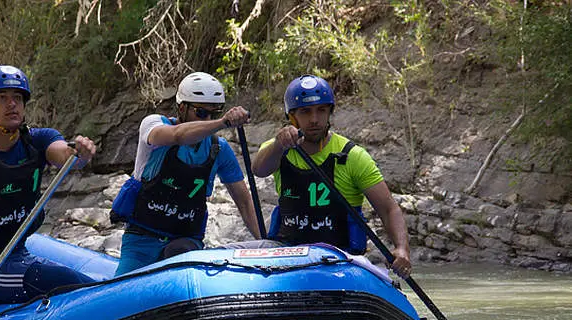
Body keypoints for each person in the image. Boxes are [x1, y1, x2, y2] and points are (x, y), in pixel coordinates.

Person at [0, 64, 97, 306]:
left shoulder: (39, 139)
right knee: (59, 279)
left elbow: (63, 153)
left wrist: (79, 154)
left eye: (17, 98)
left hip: (19, 255)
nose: (12, 104)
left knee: (68, 279)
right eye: (2, 98)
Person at [251, 74, 413, 279]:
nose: (314, 120)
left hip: (340, 256)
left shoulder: (352, 156)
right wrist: (278, 144)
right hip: (287, 253)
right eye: (305, 112)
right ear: (292, 117)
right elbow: (258, 169)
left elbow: (388, 208)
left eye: (321, 110)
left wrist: (401, 248)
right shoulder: (278, 149)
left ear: (330, 112)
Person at [110, 71, 263, 276]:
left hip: (184, 242)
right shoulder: (153, 125)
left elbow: (244, 203)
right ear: (182, 108)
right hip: (141, 240)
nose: (207, 119)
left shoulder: (220, 149)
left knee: (179, 251)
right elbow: (177, 135)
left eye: (214, 113)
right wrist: (222, 122)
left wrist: (266, 242)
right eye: (201, 113)